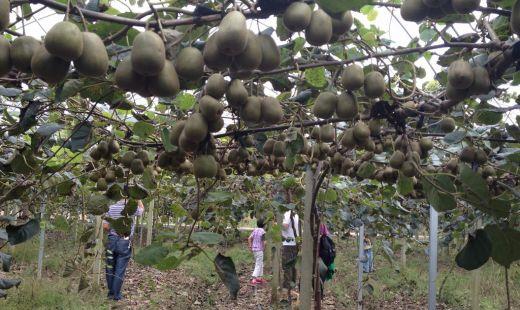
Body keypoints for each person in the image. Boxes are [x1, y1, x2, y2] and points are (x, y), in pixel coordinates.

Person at [103, 199, 145, 301]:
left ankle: (111, 293)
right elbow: (141, 210)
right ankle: (116, 295)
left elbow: (105, 226)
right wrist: (138, 198)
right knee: (120, 269)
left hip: (111, 240)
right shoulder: (131, 209)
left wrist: (114, 228)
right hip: (124, 241)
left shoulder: (110, 208)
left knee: (110, 267)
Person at [282, 210, 299, 291]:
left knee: (287, 265)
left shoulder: (287, 213)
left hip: (288, 243)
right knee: (293, 265)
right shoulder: (295, 213)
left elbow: (285, 226)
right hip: (295, 242)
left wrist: (276, 224)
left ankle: (287, 286)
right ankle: (293, 284)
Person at [248, 218, 267, 285]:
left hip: (254, 250)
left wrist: (250, 246)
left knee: (260, 263)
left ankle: (259, 278)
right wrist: (264, 248)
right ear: (264, 225)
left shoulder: (255, 230)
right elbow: (264, 242)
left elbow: (249, 238)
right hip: (259, 250)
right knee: (258, 264)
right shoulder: (263, 232)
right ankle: (254, 278)